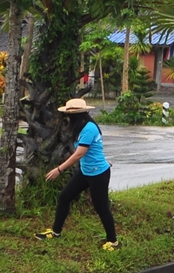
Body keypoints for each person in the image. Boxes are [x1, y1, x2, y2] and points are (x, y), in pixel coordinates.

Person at [35, 97, 119, 249]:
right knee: (65, 196)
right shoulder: (80, 127)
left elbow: (79, 154)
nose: (67, 117)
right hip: (86, 171)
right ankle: (56, 232)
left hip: (98, 174)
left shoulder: (89, 128)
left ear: (76, 115)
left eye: (69, 115)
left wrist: (59, 169)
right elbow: (96, 149)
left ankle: (113, 241)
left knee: (101, 207)